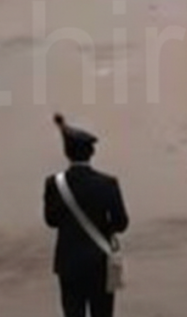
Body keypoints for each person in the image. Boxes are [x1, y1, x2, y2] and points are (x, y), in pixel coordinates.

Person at [44, 114, 130, 317]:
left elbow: (51, 221)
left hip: (68, 262)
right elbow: (121, 223)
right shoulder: (108, 183)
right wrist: (105, 230)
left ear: (66, 153)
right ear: (92, 152)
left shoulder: (54, 183)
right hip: (100, 261)